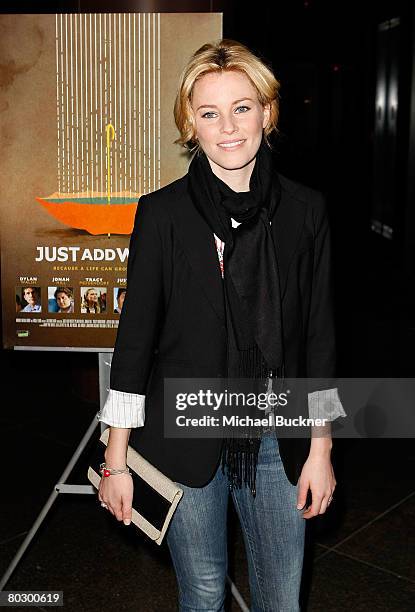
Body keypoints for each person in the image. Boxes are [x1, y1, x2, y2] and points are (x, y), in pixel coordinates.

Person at [97, 39, 346, 611]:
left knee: (281, 600)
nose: (228, 127)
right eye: (209, 112)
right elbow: (135, 340)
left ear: (268, 112)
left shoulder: (305, 211)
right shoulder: (162, 214)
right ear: (191, 123)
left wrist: (321, 448)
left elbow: (318, 338)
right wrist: (116, 459)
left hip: (276, 433)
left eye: (243, 107)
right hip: (185, 434)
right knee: (204, 594)